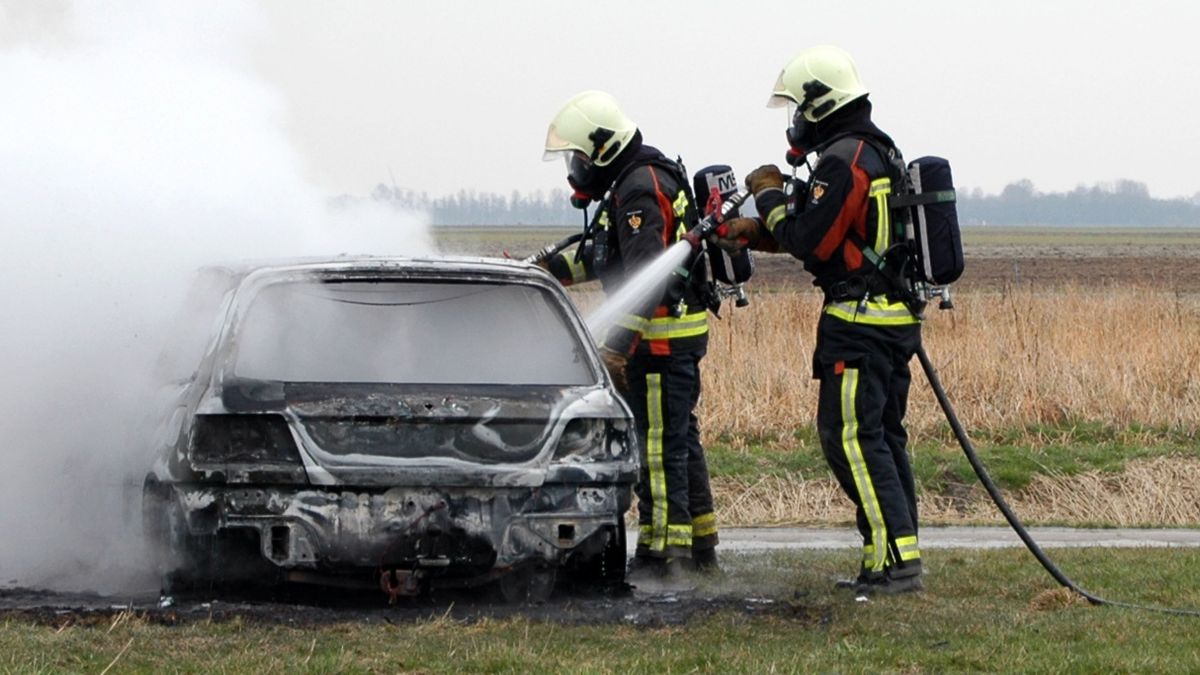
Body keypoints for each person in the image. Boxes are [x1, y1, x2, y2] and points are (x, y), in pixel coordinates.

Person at [714, 46, 923, 594]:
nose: (795, 121)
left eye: (798, 108)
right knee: (882, 438)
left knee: (850, 438)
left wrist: (768, 196)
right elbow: (836, 235)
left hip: (858, 325)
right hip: (887, 320)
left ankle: (896, 562)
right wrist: (757, 233)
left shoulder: (843, 159)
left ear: (820, 104)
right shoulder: (875, 150)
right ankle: (889, 558)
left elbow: (812, 241)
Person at [540, 90, 719, 578]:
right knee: (679, 442)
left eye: (579, 158)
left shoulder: (639, 187)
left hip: (660, 341)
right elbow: (603, 255)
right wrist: (545, 272)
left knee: (657, 449)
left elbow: (647, 278)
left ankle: (664, 557)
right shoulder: (633, 180)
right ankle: (700, 548)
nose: (576, 170)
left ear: (602, 148)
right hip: (668, 337)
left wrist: (617, 346)